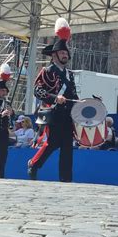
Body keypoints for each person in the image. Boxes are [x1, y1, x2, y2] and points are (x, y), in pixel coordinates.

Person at [27, 18, 79, 182]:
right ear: (55, 54)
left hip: (67, 116)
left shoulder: (70, 74)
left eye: (66, 53)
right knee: (52, 143)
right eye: (62, 53)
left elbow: (73, 95)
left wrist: (82, 103)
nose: (65, 55)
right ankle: (34, 164)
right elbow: (38, 91)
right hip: (53, 114)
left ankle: (66, 180)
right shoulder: (47, 71)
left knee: (67, 148)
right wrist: (55, 97)